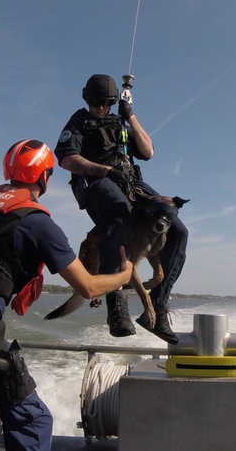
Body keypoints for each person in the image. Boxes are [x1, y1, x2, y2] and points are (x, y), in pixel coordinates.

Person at [0, 139, 134, 451]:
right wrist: (123, 276)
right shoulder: (36, 222)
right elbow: (86, 287)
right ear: (44, 176)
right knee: (33, 421)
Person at [54, 74, 187, 344]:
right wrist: (106, 170)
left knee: (177, 229)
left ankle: (159, 309)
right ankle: (116, 305)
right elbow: (67, 159)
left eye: (107, 102)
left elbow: (148, 152)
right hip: (96, 182)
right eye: (96, 102)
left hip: (131, 182)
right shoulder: (79, 121)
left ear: (114, 102)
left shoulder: (120, 122)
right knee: (119, 214)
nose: (101, 107)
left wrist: (131, 116)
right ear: (86, 99)